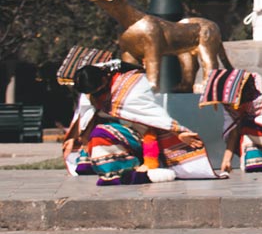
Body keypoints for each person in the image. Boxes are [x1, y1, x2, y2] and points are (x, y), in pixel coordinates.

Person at [60, 56, 217, 184]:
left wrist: (179, 132)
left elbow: (153, 116)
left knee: (101, 133)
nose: (96, 96)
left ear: (104, 78)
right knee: (95, 137)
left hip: (142, 137)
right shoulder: (90, 93)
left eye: (99, 91)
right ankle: (103, 165)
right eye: (92, 94)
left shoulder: (132, 84)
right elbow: (85, 117)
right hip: (116, 134)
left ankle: (127, 172)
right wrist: (75, 138)